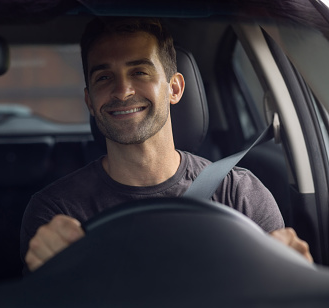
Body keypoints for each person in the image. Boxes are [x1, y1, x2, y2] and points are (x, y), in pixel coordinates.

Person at [20, 17, 312, 273]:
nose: (122, 91)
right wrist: (48, 277)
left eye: (139, 72)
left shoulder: (239, 193)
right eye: (104, 77)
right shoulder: (58, 213)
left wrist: (294, 274)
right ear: (90, 102)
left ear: (174, 88)